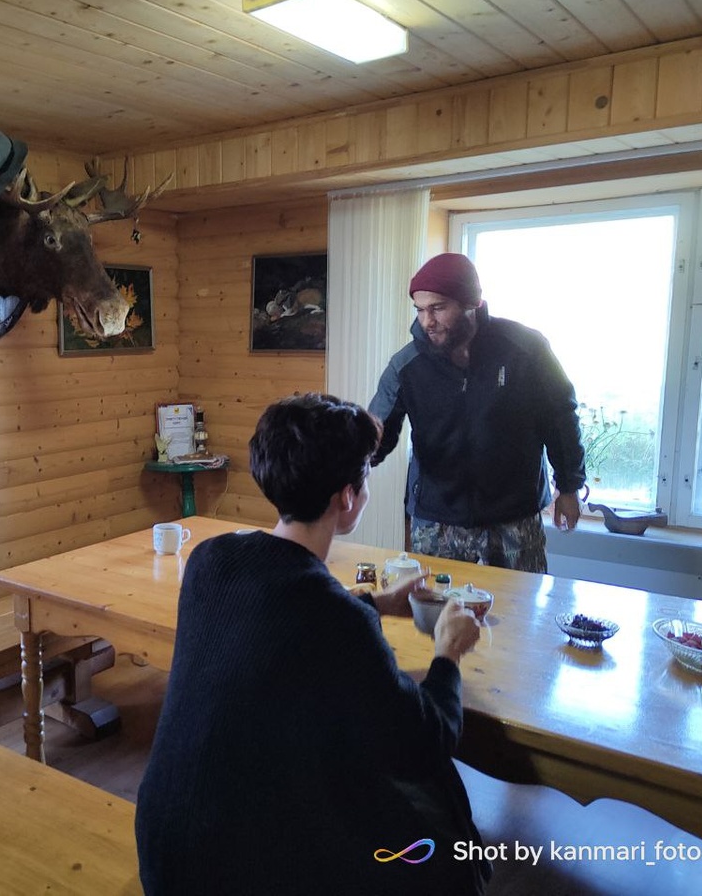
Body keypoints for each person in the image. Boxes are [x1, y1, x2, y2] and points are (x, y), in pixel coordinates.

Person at [135, 393, 489, 896]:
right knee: (440, 850)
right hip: (241, 874)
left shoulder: (210, 562)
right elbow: (423, 746)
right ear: (346, 497)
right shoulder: (335, 619)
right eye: (365, 475)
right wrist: (447, 653)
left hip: (164, 849)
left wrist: (375, 602)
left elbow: (289, 614)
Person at [369, 252, 587, 572]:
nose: (426, 321)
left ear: (472, 302)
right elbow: (374, 431)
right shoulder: (407, 365)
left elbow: (560, 417)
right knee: (436, 616)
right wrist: (345, 475)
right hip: (436, 520)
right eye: (420, 310)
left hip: (514, 516)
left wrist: (569, 486)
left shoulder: (526, 349)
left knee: (519, 615)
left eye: (438, 308)